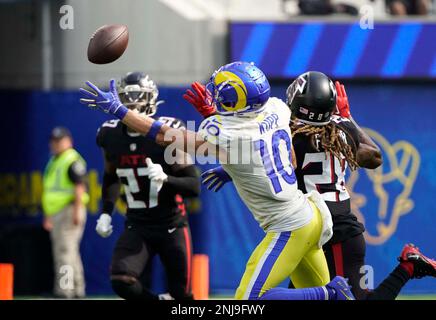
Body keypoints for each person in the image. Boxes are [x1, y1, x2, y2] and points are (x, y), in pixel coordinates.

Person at [79, 61, 355, 300]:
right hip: (310, 214)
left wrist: (120, 111)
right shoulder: (277, 108)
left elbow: (165, 136)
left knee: (248, 300)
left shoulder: (227, 135)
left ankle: (331, 291)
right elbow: (290, 160)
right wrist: (238, 168)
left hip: (289, 226)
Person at [200, 71, 436, 300]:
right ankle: (408, 266)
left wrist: (222, 148)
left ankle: (408, 267)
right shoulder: (340, 129)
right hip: (323, 225)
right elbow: (374, 157)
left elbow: (260, 152)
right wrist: (348, 117)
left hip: (330, 231)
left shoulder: (290, 134)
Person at [94, 72, 200, 300]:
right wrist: (105, 213)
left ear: (151, 98)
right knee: (121, 280)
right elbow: (111, 176)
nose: (133, 103)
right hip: (137, 223)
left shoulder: (166, 133)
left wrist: (166, 179)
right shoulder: (109, 133)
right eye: (127, 97)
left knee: (182, 296)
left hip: (172, 224)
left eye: (138, 97)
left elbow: (193, 187)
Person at [41, 126, 88, 299]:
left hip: (69, 211)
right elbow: (49, 191)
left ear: (69, 141)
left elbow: (79, 187)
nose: (55, 144)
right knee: (70, 252)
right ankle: (77, 290)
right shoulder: (54, 160)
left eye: (59, 140)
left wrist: (76, 211)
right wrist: (48, 215)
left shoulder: (71, 160)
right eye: (53, 141)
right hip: (58, 213)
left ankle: (65, 290)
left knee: (64, 253)